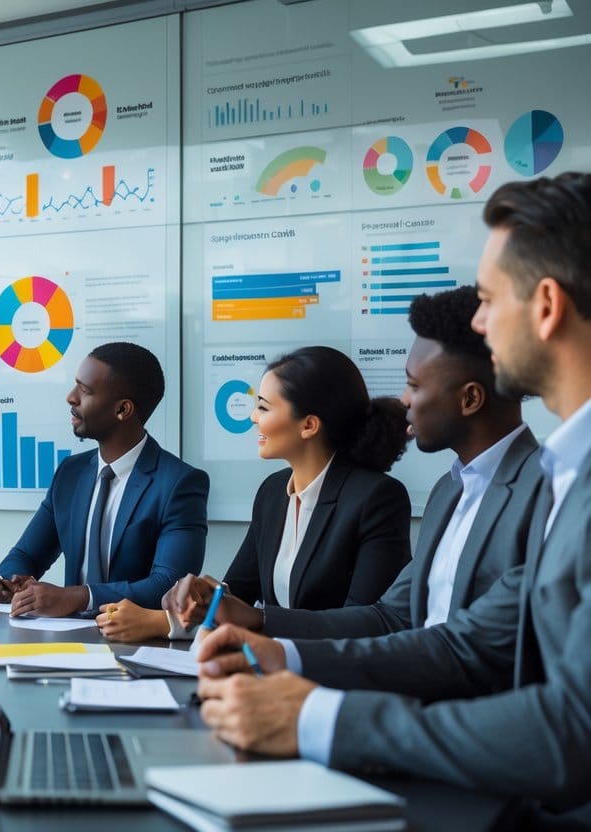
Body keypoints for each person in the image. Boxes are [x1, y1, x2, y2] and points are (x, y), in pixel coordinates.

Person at [195, 172, 591, 819]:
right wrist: (281, 650)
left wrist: (320, 718)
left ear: (545, 306)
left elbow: (571, 726)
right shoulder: (554, 478)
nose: (480, 322)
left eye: (489, 300)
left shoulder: (555, 484)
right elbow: (457, 640)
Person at [147, 286, 542, 642]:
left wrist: (266, 631)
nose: (403, 400)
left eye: (415, 386)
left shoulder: (544, 491)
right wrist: (221, 606)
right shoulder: (450, 489)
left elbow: (441, 643)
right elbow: (392, 618)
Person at [97, 346, 411, 641]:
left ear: (309, 425)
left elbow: (366, 625)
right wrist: (201, 595)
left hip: (335, 682)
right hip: (270, 669)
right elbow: (239, 594)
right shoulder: (273, 492)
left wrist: (259, 618)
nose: (253, 417)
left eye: (263, 406)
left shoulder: (378, 499)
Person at [0, 342, 209, 617]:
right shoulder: (70, 473)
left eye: (84, 391)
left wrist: (77, 597)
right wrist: (7, 584)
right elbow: (26, 555)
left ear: (123, 410)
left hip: (136, 643)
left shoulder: (179, 484)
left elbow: (168, 586)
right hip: (65, 640)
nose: (71, 398)